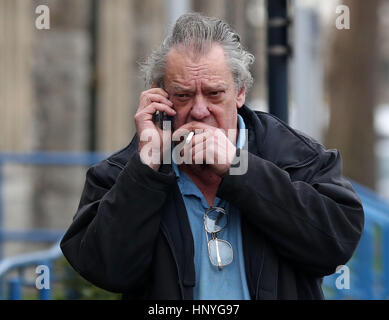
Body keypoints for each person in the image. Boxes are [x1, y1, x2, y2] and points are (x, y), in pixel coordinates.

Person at [60, 12, 364, 300]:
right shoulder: (125, 171)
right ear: (159, 97)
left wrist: (238, 167)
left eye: (215, 93)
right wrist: (147, 168)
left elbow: (335, 244)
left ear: (241, 92)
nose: (200, 110)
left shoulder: (299, 155)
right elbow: (104, 269)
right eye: (183, 95)